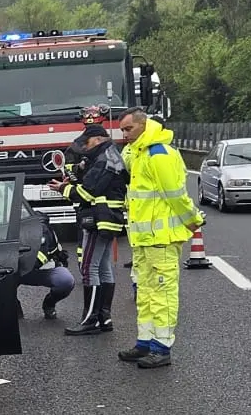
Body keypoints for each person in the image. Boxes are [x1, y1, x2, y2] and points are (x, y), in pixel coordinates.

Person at [116, 110, 204, 368]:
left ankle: (162, 348)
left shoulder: (159, 155)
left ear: (144, 126)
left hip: (161, 237)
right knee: (144, 292)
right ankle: (144, 342)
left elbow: (176, 194)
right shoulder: (140, 152)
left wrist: (192, 220)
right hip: (143, 238)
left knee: (162, 293)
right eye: (122, 130)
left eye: (128, 129)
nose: (124, 135)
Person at [58, 121, 128, 335]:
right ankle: (104, 318)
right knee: (104, 267)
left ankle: (90, 320)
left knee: (89, 268)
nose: (85, 148)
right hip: (110, 218)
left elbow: (88, 193)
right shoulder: (113, 156)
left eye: (87, 144)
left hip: (98, 218)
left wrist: (64, 189)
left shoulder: (103, 160)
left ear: (97, 140)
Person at [18, 207, 75, 317]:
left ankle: (49, 303)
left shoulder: (41, 228)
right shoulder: (6, 227)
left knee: (65, 281)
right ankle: (12, 305)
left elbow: (41, 256)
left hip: (40, 269)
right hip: (14, 272)